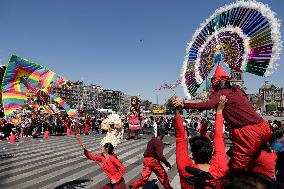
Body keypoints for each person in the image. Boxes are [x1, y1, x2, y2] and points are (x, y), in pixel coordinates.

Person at [172, 64, 271, 171]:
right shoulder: (238, 90)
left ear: (217, 83)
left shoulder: (221, 93)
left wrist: (184, 104)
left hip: (248, 134)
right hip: (264, 127)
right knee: (234, 155)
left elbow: (209, 104)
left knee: (234, 168)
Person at [174, 95, 228, 189]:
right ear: (211, 153)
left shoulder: (186, 169)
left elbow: (181, 138)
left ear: (193, 155)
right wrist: (219, 111)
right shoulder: (220, 168)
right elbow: (219, 138)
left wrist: (177, 111)